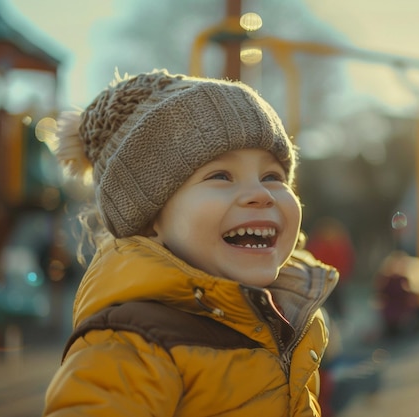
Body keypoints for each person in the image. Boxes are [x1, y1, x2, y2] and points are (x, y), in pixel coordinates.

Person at [42, 69, 339, 417]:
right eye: (220, 175)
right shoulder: (131, 346)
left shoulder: (287, 319)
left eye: (272, 176)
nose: (260, 194)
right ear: (151, 218)